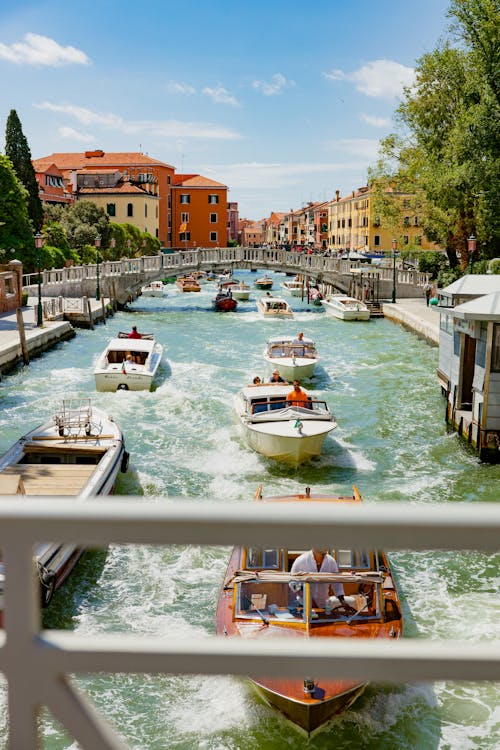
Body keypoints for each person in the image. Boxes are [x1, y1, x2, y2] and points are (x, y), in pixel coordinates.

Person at [290, 548, 356, 612]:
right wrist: (307, 598)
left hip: (324, 606)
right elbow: (292, 583)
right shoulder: (301, 560)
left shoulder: (331, 561)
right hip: (303, 605)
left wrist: (343, 602)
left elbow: (337, 584)